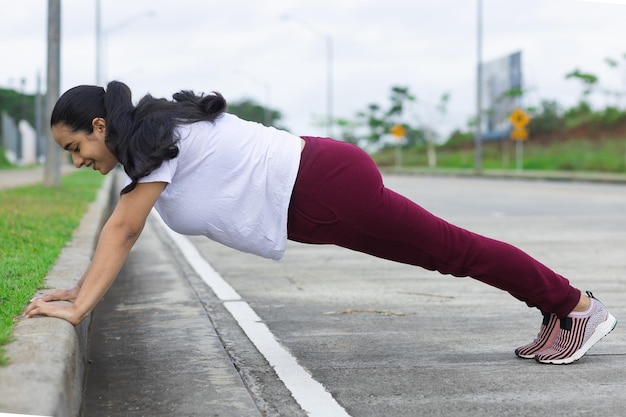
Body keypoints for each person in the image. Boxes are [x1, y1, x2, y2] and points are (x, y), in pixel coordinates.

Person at [24, 81, 616, 365]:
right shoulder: (148, 143)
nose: (78, 163)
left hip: (324, 187)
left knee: (453, 250)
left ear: (100, 126)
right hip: (318, 189)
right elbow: (120, 232)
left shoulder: (154, 138)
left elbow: (122, 230)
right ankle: (560, 307)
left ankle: (575, 307)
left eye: (75, 147)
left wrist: (79, 309)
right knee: (450, 252)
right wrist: (81, 288)